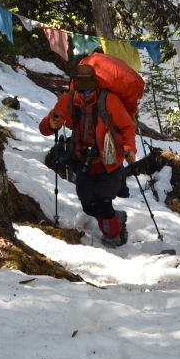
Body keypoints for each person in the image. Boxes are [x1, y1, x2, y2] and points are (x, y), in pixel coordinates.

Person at [39, 63, 137, 247]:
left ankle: (113, 237)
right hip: (83, 159)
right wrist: (51, 124)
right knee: (88, 204)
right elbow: (46, 127)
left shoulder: (109, 100)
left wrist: (129, 148)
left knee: (104, 202)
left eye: (89, 91)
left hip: (110, 159)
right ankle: (118, 218)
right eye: (82, 92)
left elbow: (127, 127)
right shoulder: (68, 101)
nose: (86, 95)